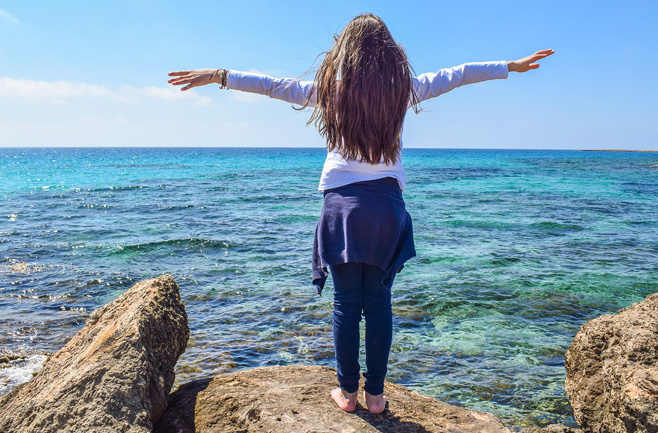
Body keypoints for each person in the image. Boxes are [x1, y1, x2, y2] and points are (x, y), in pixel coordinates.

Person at [168, 12, 553, 415]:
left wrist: (220, 75)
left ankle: (347, 395)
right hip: (386, 207)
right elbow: (457, 75)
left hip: (342, 208)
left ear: (345, 52)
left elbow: (272, 86)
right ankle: (376, 397)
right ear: (388, 54)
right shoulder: (404, 89)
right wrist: (511, 65)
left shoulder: (330, 93)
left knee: (347, 305)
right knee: (380, 302)